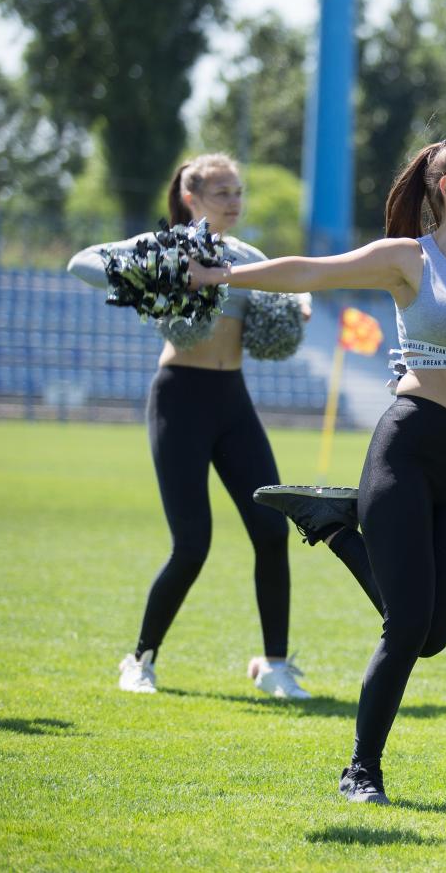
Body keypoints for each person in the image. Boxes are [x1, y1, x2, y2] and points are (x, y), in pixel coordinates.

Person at [187, 134, 446, 805]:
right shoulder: (408, 260)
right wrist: (222, 276)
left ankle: (333, 523)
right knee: (405, 625)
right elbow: (311, 272)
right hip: (409, 445)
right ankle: (362, 770)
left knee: (432, 637)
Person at [67, 153, 313, 700]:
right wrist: (163, 271)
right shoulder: (169, 246)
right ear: (190, 198)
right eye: (221, 192)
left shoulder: (248, 256)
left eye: (238, 191)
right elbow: (81, 262)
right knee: (192, 544)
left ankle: (273, 664)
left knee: (272, 532)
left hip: (234, 401)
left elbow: (296, 285)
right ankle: (140, 660)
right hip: (180, 399)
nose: (233, 201)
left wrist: (297, 309)